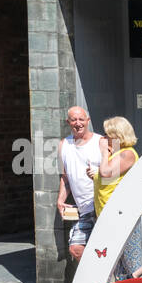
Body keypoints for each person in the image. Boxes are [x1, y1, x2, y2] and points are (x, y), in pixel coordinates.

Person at [94, 116, 142, 281]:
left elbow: (106, 172)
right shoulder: (116, 155)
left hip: (122, 217)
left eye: (108, 135)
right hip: (106, 215)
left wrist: (103, 153)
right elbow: (107, 178)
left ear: (118, 136)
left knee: (132, 264)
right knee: (113, 266)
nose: (104, 139)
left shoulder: (127, 153)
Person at [56, 106, 101, 260]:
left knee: (106, 250)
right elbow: (65, 177)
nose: (78, 123)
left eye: (81, 119)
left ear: (88, 120)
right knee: (76, 249)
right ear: (68, 122)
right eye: (73, 119)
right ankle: (94, 281)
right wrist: (60, 200)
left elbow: (115, 175)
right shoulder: (64, 145)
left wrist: (99, 174)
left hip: (102, 205)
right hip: (83, 209)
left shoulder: (101, 142)